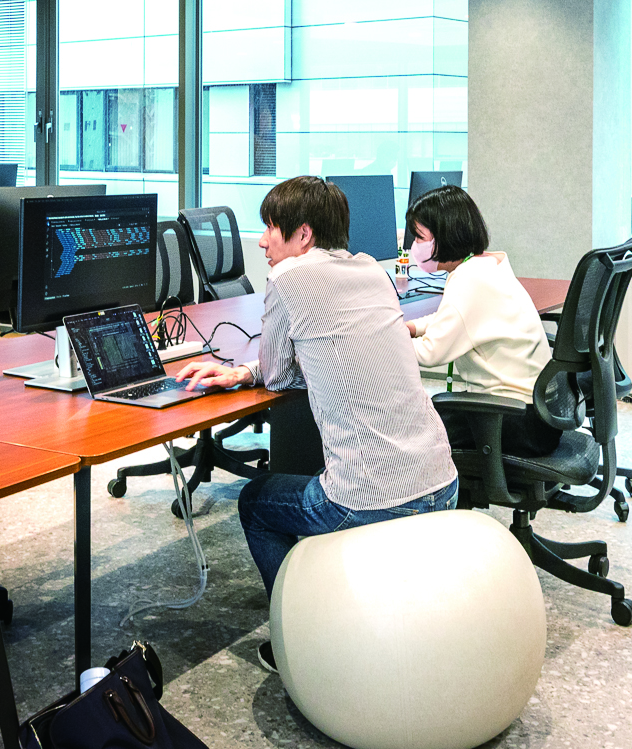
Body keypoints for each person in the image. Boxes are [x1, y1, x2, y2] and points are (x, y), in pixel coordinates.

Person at [177, 176, 458, 673]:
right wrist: (247, 371)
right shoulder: (371, 270)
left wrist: (248, 371)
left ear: (303, 234)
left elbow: (279, 374)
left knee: (256, 502)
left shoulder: (289, 278)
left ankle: (299, 640)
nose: (262, 242)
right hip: (443, 481)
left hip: (372, 498)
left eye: (270, 228)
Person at [404, 184, 560, 457]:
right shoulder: (487, 264)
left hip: (512, 418)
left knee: (410, 431)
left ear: (445, 235)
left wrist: (383, 341)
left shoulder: (469, 279)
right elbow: (457, 316)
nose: (414, 246)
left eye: (419, 238)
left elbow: (430, 353)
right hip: (539, 413)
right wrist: (414, 327)